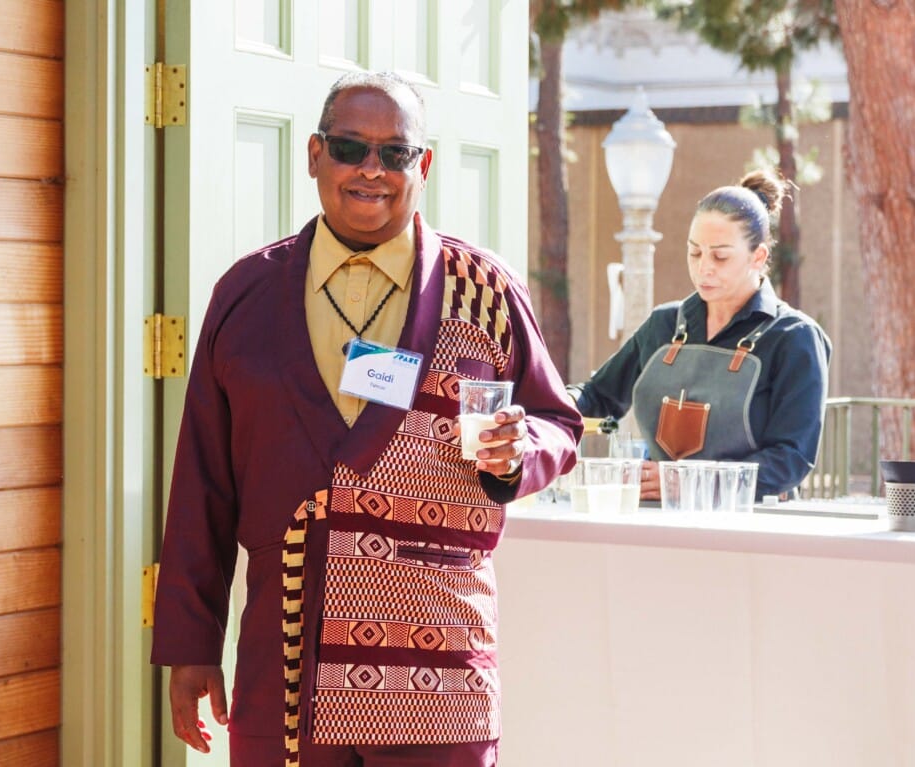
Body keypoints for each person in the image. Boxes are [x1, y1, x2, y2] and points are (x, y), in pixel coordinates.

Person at [151, 70, 582, 767]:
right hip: (284, 656)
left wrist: (520, 449)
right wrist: (191, 644)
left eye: (395, 153)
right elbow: (203, 481)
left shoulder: (485, 293)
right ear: (315, 154)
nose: (371, 170)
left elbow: (558, 422)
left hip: (437, 670)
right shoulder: (246, 295)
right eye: (350, 148)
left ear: (424, 165)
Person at [571, 170, 831, 500]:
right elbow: (597, 396)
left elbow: (791, 458)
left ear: (758, 257)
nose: (704, 267)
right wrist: (554, 404)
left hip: (752, 522)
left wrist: (686, 483)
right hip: (657, 519)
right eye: (694, 252)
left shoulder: (795, 338)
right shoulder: (663, 324)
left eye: (720, 256)